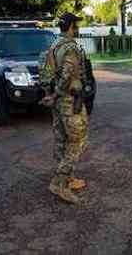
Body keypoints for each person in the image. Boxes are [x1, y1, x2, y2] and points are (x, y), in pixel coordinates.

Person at [40, 12, 90, 204]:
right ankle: (59, 183)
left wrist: (49, 95)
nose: (77, 29)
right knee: (77, 140)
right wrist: (56, 94)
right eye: (76, 25)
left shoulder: (54, 45)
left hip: (59, 103)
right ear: (70, 27)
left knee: (62, 139)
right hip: (69, 99)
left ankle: (68, 178)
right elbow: (68, 74)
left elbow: (46, 72)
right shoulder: (70, 47)